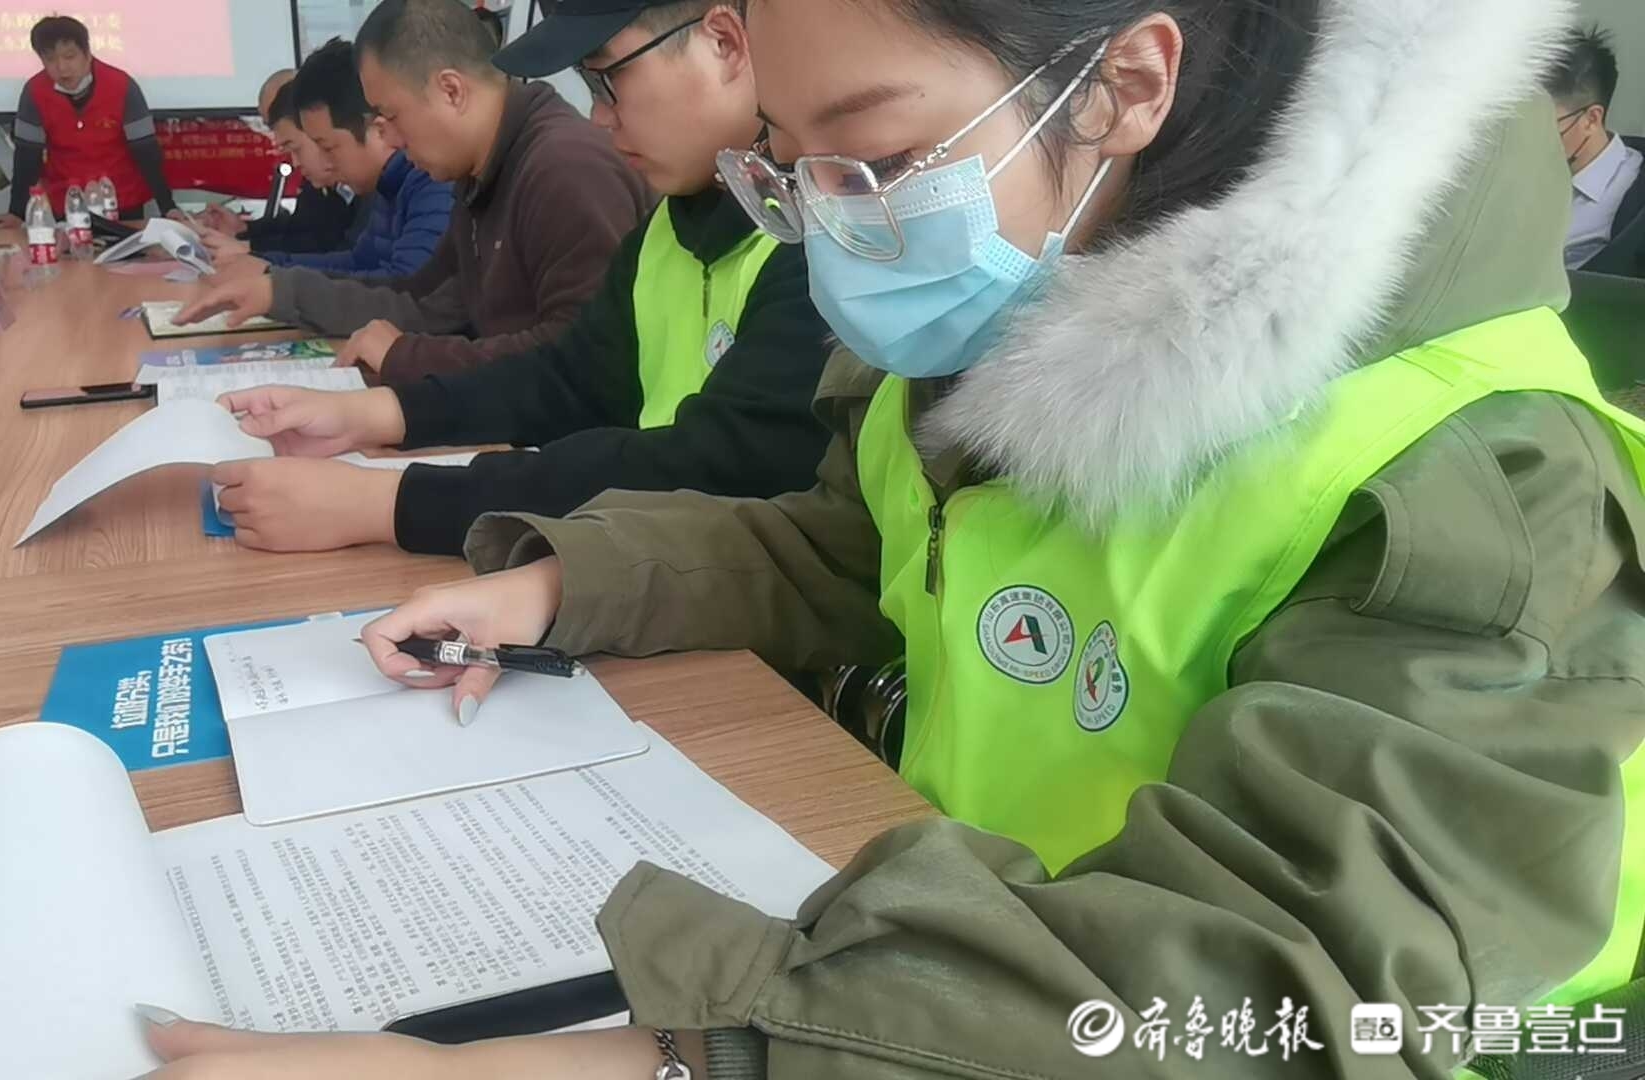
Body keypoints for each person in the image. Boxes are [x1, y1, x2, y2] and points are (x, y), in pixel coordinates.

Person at [133, 0, 1645, 1077]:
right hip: (958, 942)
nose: (832, 222)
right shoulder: (1018, 286)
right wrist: (560, 584)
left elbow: (1293, 980)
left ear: (1125, 84)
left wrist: (680, 1052)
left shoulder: (1475, 470)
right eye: (791, 159)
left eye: (874, 156)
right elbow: (860, 551)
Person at [207, 0, 833, 558]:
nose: (599, 117)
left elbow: (707, 466)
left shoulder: (825, 243)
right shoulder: (675, 221)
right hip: (662, 561)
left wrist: (386, 502)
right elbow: (568, 378)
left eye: (608, 79)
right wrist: (378, 414)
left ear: (724, 42)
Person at [175, 0, 655, 383]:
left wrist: (407, 358)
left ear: (451, 91)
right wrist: (280, 289)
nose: (392, 139)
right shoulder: (479, 169)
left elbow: (581, 360)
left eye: (392, 116)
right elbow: (426, 298)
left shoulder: (564, 168)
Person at [255, 37, 454, 280]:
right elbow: (359, 262)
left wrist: (277, 286)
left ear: (378, 130)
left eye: (329, 148)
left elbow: (407, 287)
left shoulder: (433, 180)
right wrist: (266, 267)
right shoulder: (389, 184)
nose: (328, 163)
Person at [0, 16, 176, 228]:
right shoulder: (34, 92)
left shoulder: (122, 85)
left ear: (87, 53)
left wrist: (168, 206)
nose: (62, 68)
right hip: (67, 204)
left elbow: (146, 151)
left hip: (122, 202)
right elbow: (27, 157)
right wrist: (16, 213)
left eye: (70, 57)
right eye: (50, 60)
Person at [208, 75, 372, 259]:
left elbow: (334, 254)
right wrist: (245, 230)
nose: (295, 162)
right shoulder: (341, 187)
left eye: (325, 144)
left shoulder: (380, 191)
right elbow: (306, 230)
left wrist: (251, 250)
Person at [1548, 26, 1645, 271]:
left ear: (1591, 119)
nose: (1530, 139)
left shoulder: (1632, 207)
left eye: (1543, 126)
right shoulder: (1515, 173)